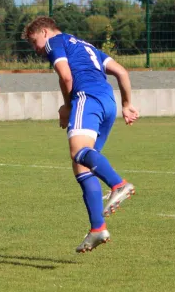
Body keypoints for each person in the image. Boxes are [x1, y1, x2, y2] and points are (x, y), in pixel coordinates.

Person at [23, 16, 138, 253]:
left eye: (34, 42)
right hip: (108, 103)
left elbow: (66, 76)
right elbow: (121, 72)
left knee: (79, 152)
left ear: (44, 32)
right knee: (83, 165)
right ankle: (98, 229)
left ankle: (119, 184)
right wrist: (127, 104)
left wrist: (67, 107)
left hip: (87, 98)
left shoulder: (54, 43)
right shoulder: (87, 47)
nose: (36, 49)